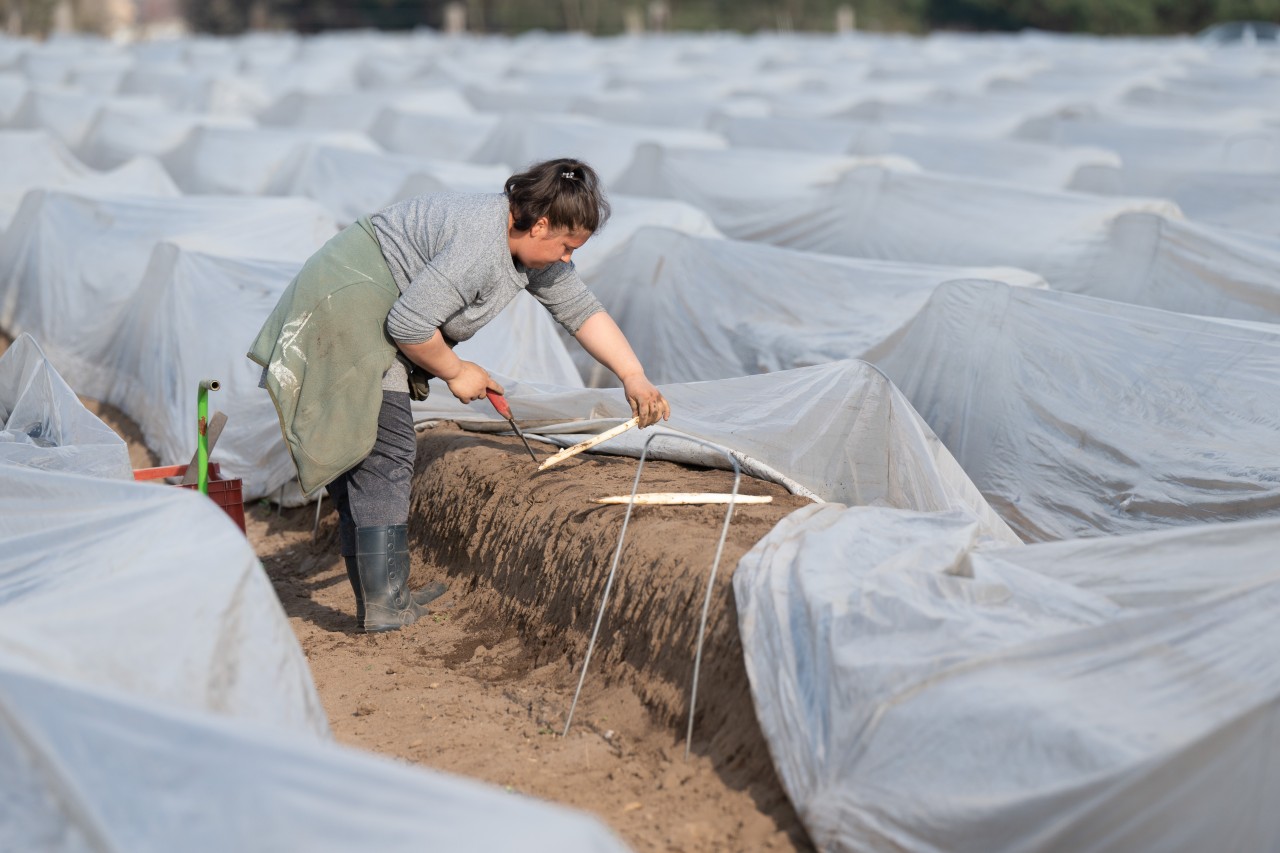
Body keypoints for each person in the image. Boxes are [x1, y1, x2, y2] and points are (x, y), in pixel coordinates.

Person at [249, 158, 670, 634]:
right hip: (346, 308)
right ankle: (386, 601)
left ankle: (386, 592)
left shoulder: (527, 244)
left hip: (367, 311)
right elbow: (408, 325)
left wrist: (633, 376)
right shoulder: (480, 241)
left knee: (367, 455)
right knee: (386, 450)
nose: (568, 258)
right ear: (542, 225)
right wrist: (456, 371)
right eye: (567, 246)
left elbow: (580, 308)